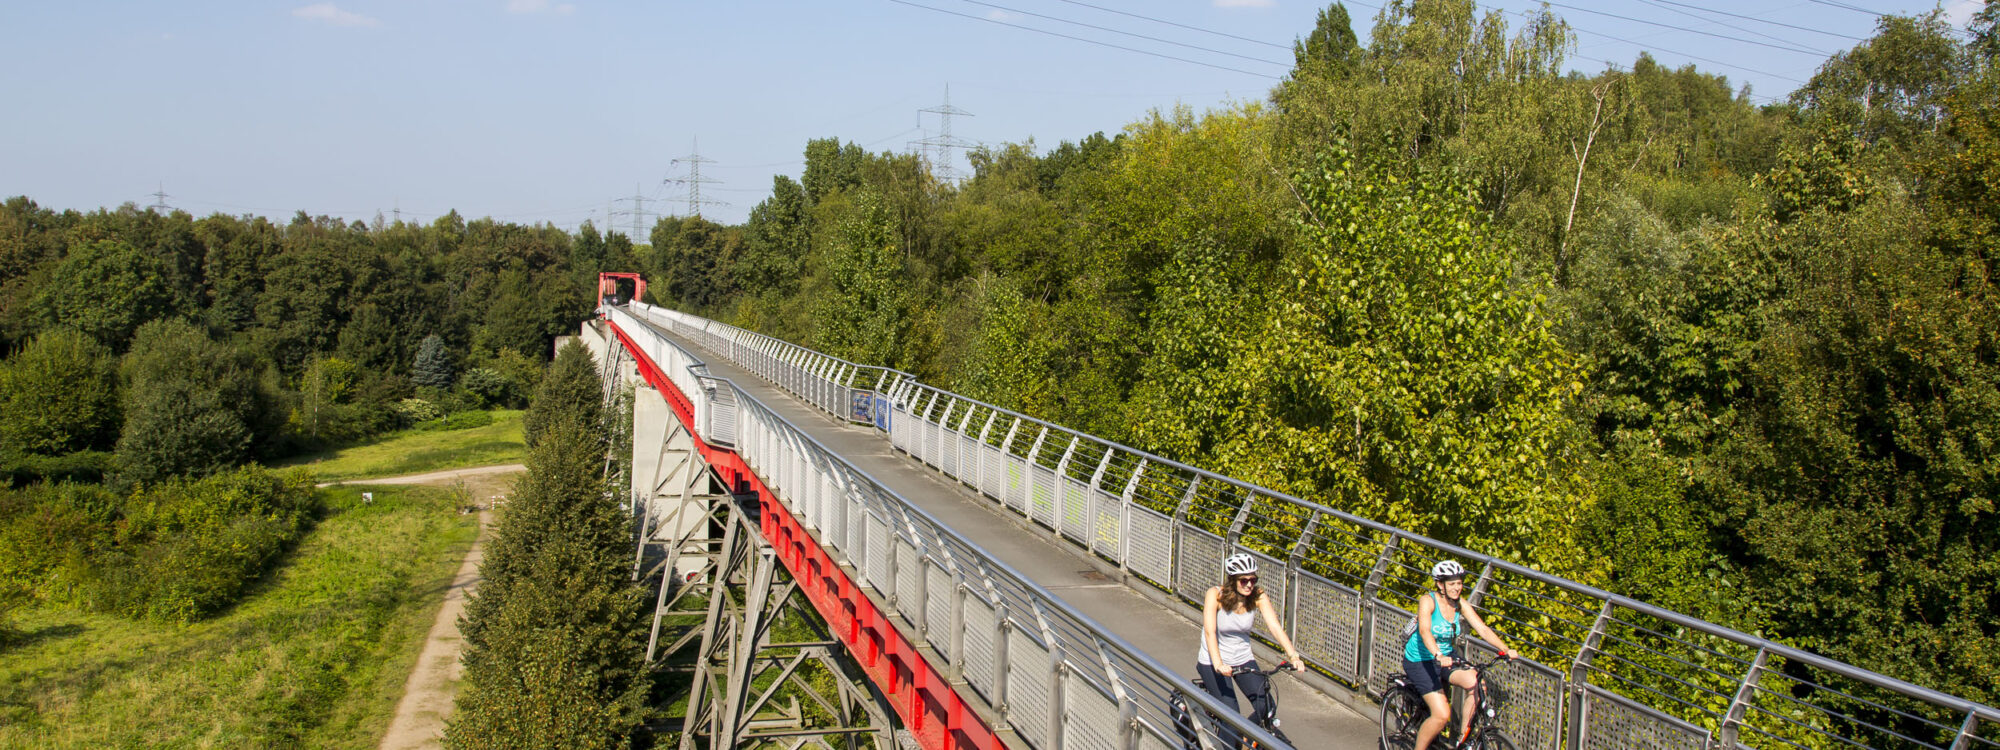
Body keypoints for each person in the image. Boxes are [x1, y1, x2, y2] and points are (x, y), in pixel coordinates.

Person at [1196, 553, 1303, 746]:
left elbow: (1275, 627)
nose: (1249, 585)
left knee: (1267, 706)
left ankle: (1245, 735)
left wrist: (1293, 655)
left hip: (1242, 658)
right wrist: (1219, 663)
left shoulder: (1258, 596)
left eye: (1253, 580)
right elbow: (1210, 632)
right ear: (1232, 581)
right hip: (1214, 660)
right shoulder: (1215, 595)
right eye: (1243, 580)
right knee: (1230, 716)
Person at [1407, 560, 1516, 750]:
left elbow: (1482, 628)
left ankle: (1462, 740)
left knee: (1476, 683)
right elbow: (1425, 631)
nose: (1457, 588)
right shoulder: (1428, 601)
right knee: (1441, 715)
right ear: (1440, 584)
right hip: (1421, 660)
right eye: (1452, 584)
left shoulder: (1460, 604)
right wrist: (1438, 654)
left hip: (1447, 657)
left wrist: (1505, 649)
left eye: (1459, 583)